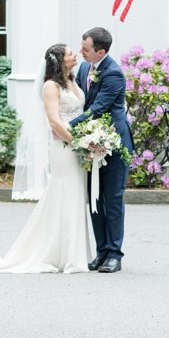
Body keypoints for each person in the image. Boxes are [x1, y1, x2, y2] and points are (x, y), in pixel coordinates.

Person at [0, 44, 92, 274]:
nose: (75, 55)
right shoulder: (50, 86)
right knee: (64, 192)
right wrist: (77, 142)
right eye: (70, 53)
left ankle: (71, 253)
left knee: (74, 194)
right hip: (64, 147)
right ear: (60, 60)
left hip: (76, 146)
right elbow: (54, 121)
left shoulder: (73, 82)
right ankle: (56, 253)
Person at [70, 26, 132, 274]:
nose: (81, 53)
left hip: (114, 143)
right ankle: (101, 251)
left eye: (85, 49)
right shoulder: (85, 67)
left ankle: (115, 254)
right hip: (90, 143)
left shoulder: (114, 73)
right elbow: (78, 99)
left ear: (101, 51)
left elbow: (98, 107)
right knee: (95, 198)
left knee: (113, 199)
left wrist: (67, 126)